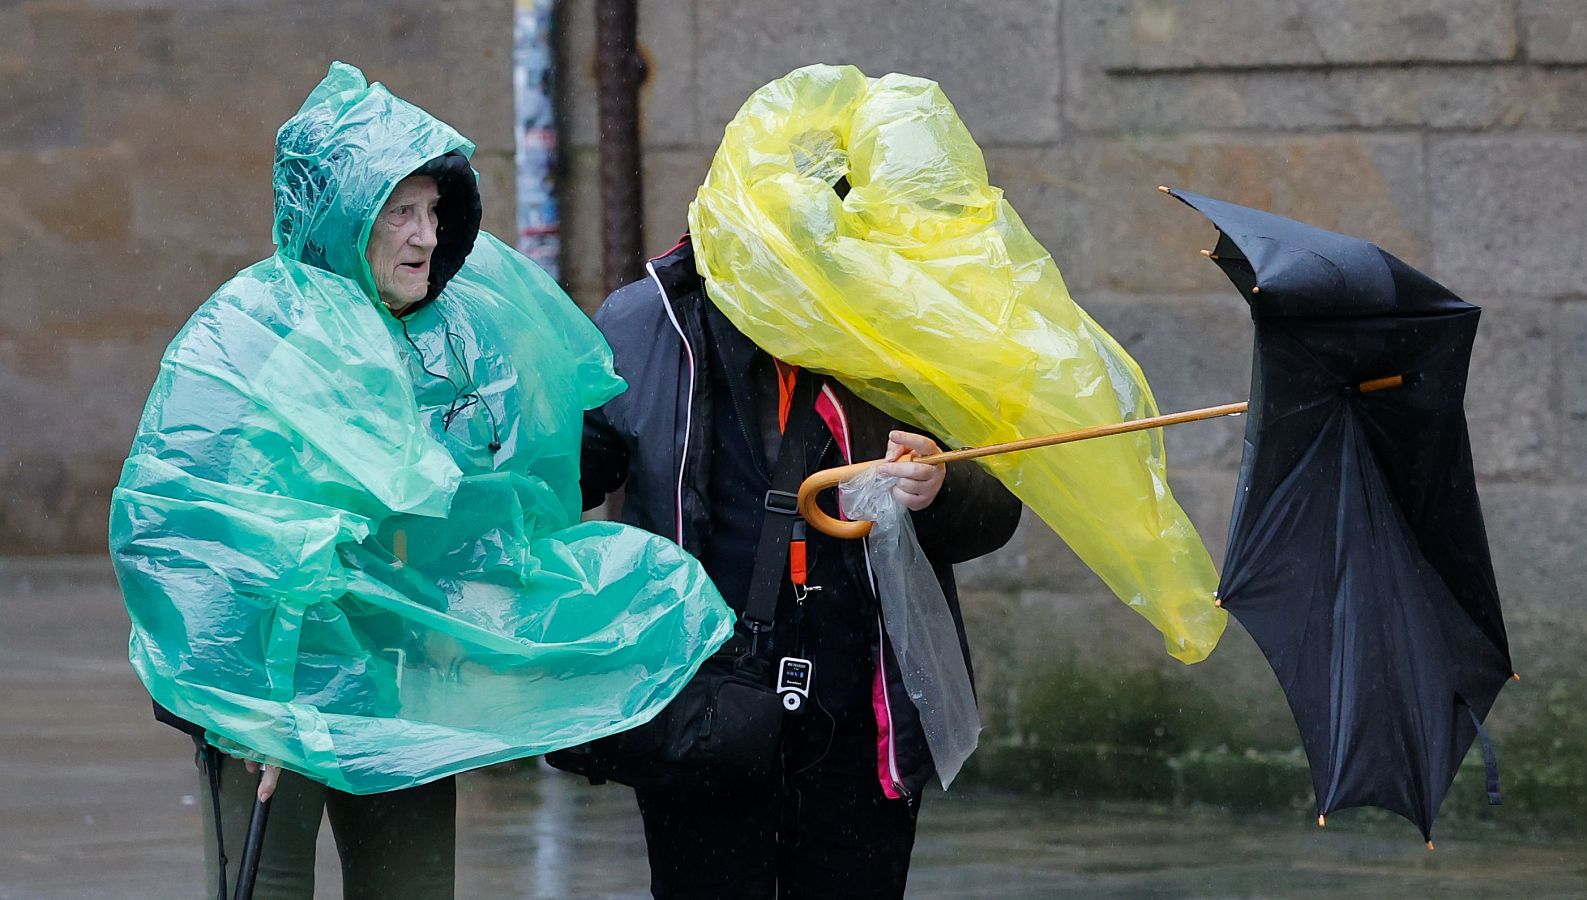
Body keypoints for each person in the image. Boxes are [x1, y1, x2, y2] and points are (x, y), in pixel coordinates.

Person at [113, 63, 733, 900]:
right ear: (341, 217)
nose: (424, 236)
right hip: (272, 699)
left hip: (401, 680)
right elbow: (188, 526)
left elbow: (504, 486)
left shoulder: (463, 329)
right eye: (397, 212)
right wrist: (244, 711)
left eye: (433, 211)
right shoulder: (250, 334)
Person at [581, 236, 1023, 899]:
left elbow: (997, 505)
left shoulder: (908, 322)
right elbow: (576, 464)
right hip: (702, 705)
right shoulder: (648, 321)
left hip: (859, 716)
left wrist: (942, 489)